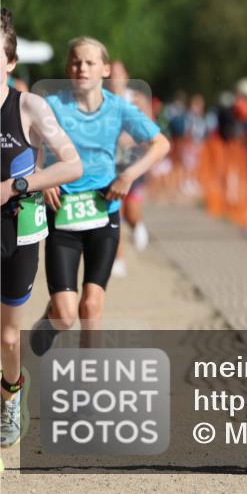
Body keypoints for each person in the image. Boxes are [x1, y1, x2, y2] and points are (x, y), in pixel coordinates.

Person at [30, 37, 170, 356]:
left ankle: (87, 389)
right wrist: (43, 179)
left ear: (104, 69)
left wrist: (128, 175)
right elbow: (32, 144)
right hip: (62, 213)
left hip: (103, 211)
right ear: (68, 68)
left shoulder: (119, 108)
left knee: (90, 306)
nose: (83, 68)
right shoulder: (53, 106)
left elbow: (161, 144)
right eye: (77, 62)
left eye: (90, 63)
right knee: (66, 316)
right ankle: (51, 319)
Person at [0, 8, 83, 449]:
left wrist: (16, 185)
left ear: (9, 62)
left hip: (16, 230)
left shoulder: (28, 106)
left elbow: (72, 164)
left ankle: (10, 395)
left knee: (8, 335)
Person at [108, 60, 154, 276]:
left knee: (131, 211)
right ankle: (119, 258)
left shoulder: (137, 99)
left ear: (126, 76)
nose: (115, 77)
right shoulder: (101, 99)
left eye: (119, 73)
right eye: (111, 73)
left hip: (133, 162)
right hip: (110, 163)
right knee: (115, 211)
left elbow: (151, 131)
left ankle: (137, 226)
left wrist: (131, 140)